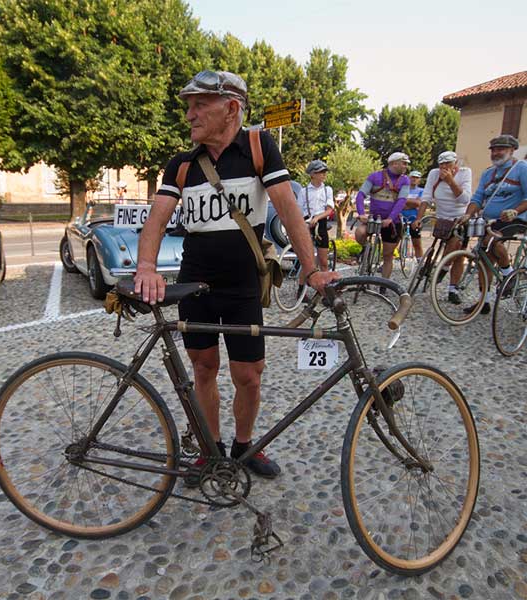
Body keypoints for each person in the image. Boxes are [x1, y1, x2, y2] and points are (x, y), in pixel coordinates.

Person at [134, 70, 339, 481]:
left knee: (248, 373)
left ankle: (245, 446)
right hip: (196, 283)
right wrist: (146, 268)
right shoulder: (181, 165)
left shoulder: (259, 148)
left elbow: (287, 209)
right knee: (204, 366)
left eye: (199, 105)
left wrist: (312, 270)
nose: (189, 115)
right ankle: (211, 450)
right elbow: (155, 221)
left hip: (243, 284)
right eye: (187, 106)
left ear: (231, 109)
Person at [458, 134, 527, 314]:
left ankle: (508, 274)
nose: (496, 153)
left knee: (492, 241)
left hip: (515, 219)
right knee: (483, 258)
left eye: (500, 149)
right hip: (491, 221)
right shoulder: (489, 172)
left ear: (512, 151)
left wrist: (515, 211)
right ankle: (484, 302)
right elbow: (478, 197)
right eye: (494, 150)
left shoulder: (522, 168)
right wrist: (467, 214)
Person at [413, 151, 472, 304]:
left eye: (448, 164)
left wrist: (451, 181)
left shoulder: (465, 173)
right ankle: (442, 267)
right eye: (441, 165)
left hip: (460, 217)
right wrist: (419, 218)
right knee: (451, 246)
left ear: (455, 164)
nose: (444, 167)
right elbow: (426, 197)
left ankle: (451, 284)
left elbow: (465, 199)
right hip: (442, 217)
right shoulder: (434, 174)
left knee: (459, 252)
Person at [354, 152, 411, 285]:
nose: (406, 166)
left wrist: (391, 218)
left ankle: (384, 284)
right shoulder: (375, 176)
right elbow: (361, 194)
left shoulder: (405, 180)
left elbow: (402, 200)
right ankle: (365, 249)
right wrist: (361, 213)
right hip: (374, 219)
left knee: (387, 255)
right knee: (360, 233)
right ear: (394, 163)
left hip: (392, 222)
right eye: (404, 163)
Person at [296, 159, 336, 299]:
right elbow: (299, 211)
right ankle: (301, 289)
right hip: (307, 224)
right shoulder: (304, 191)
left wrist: (318, 218)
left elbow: (330, 209)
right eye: (321, 172)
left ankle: (324, 291)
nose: (324, 175)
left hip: (321, 224)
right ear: (312, 174)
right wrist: (305, 223)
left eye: (325, 172)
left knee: (323, 260)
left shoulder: (327, 190)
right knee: (307, 260)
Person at [400, 170, 424, 259]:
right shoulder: (402, 189)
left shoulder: (422, 191)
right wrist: (413, 204)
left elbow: (419, 203)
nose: (414, 179)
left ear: (419, 180)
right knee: (394, 242)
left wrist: (404, 202)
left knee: (417, 243)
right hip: (401, 218)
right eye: (412, 177)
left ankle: (420, 263)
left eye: (417, 178)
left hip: (414, 219)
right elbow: (397, 202)